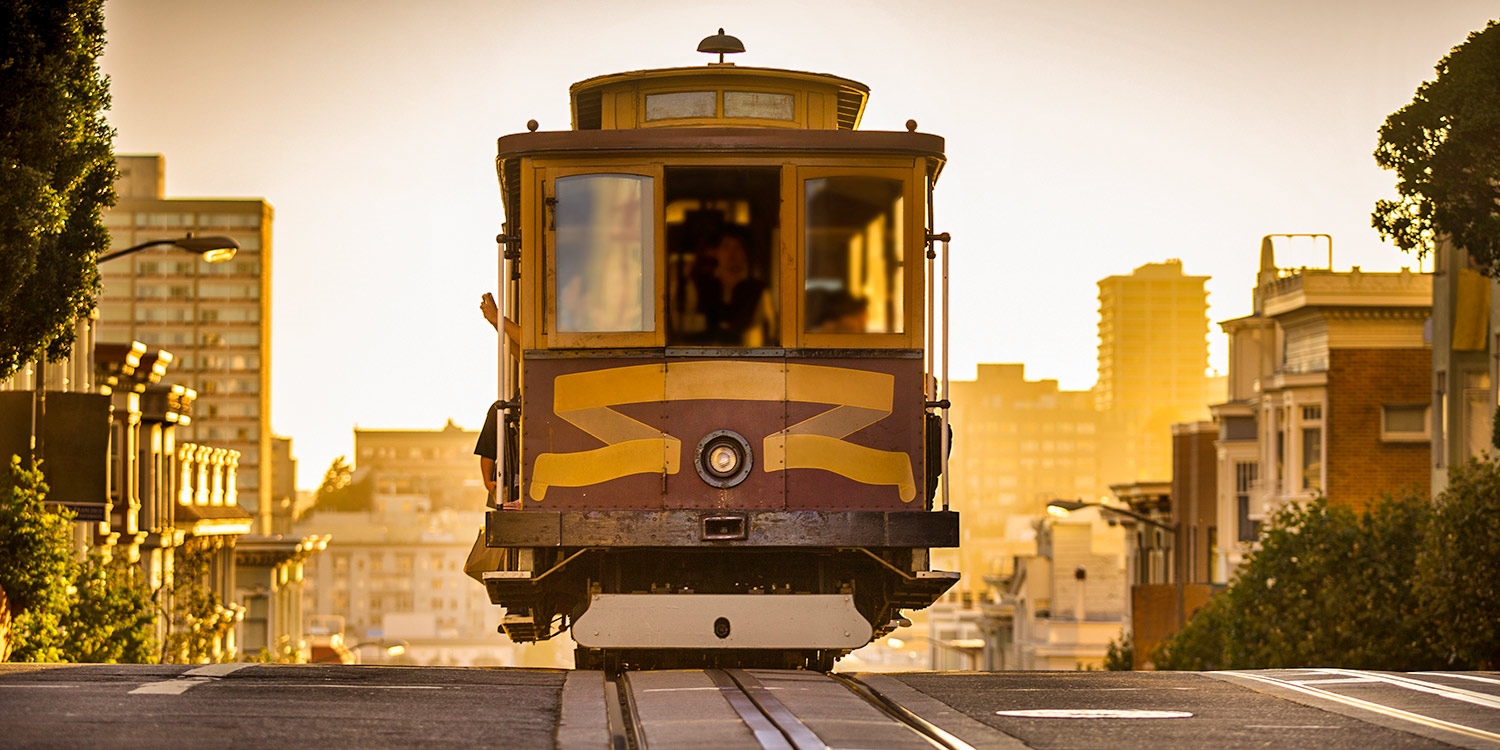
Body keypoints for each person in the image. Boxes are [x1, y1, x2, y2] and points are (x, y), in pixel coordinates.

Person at [692, 230, 774, 346]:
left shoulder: (757, 290)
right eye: (726, 247)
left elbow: (764, 331)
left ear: (745, 253)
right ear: (717, 252)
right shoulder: (700, 285)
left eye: (738, 248)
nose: (732, 253)